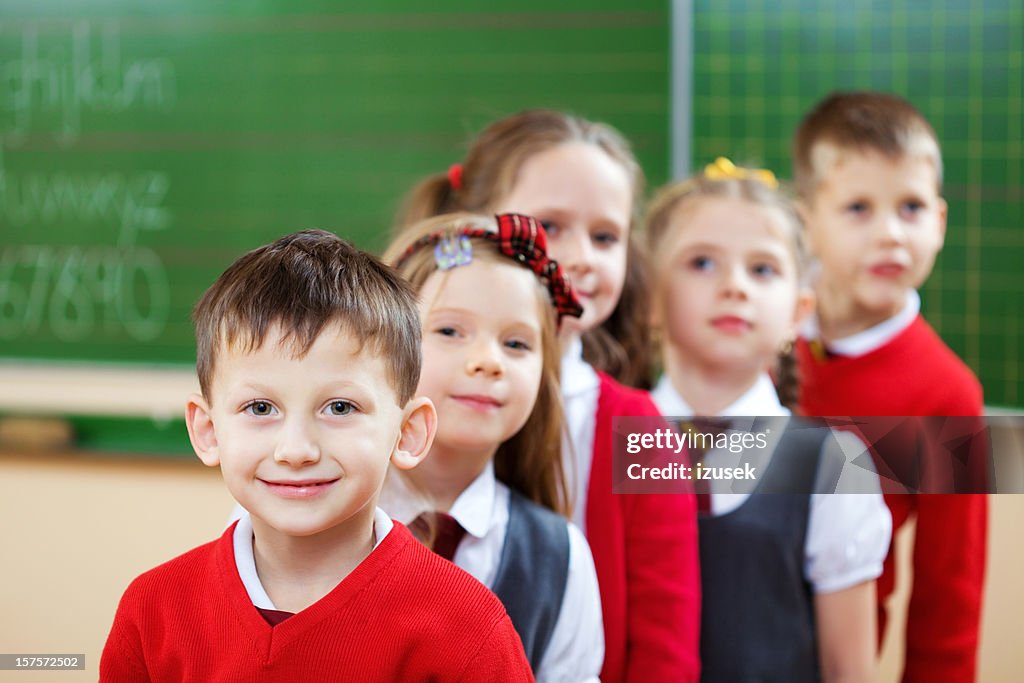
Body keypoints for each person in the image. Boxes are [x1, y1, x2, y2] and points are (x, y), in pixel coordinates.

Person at [100, 230, 534, 681]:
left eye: (340, 408)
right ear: (208, 430)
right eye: (261, 408)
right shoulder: (153, 613)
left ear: (407, 432)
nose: (296, 451)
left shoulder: (467, 628)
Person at [397, 109, 700, 683]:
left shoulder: (641, 428)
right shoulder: (387, 398)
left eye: (606, 235)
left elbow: (668, 641)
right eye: (550, 227)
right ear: (473, 223)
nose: (581, 255)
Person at [645, 157, 892, 682]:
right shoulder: (606, 440)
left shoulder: (832, 464)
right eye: (702, 263)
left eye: (762, 269)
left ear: (798, 312)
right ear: (650, 299)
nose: (735, 286)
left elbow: (850, 673)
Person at [792, 91, 989, 682]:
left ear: (941, 221)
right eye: (858, 208)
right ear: (806, 222)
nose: (890, 234)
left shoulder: (947, 394)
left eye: (911, 207)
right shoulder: (751, 337)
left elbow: (948, 598)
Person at [380, 212, 604, 682]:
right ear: (384, 348)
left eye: (517, 343)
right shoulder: (309, 513)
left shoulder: (560, 556)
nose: (487, 361)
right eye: (449, 332)